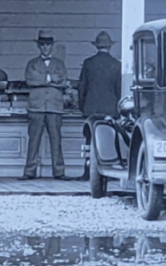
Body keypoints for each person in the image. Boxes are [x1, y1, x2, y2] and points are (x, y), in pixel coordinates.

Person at [74, 30, 123, 180]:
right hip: (111, 108)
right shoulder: (116, 65)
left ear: (96, 46)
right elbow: (119, 89)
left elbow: (82, 87)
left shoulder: (89, 63)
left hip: (91, 109)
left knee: (90, 142)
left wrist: (82, 106)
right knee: (110, 141)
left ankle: (88, 172)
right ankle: (110, 172)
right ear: (110, 47)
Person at [23, 30, 69, 179]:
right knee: (33, 140)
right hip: (36, 106)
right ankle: (29, 171)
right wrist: (50, 78)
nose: (45, 48)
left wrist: (41, 79)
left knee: (56, 141)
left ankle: (59, 172)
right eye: (42, 45)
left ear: (52, 46)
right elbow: (30, 80)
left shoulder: (59, 64)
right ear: (38, 46)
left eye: (48, 44)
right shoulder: (32, 64)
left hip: (54, 107)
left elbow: (62, 81)